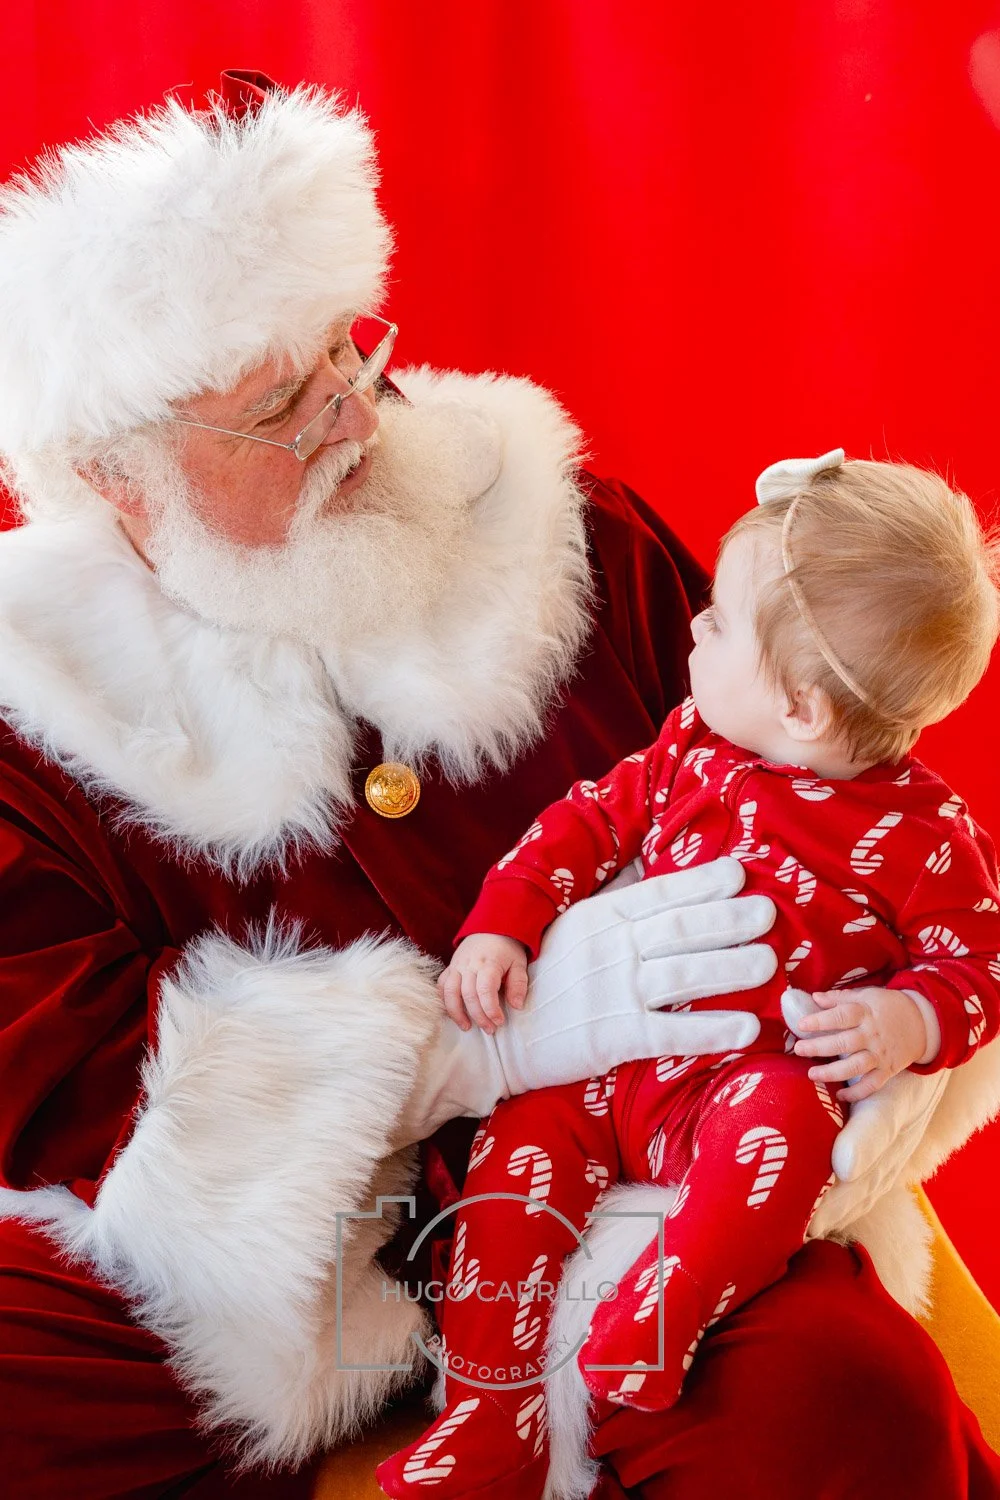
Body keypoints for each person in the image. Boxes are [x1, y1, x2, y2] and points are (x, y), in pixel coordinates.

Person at [0, 69, 995, 1500]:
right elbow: (59, 1066)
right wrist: (460, 1057)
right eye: (283, 408)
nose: (351, 416)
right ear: (120, 478)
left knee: (842, 1406)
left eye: (348, 354)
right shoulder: (28, 690)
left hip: (644, 1186)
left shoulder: (549, 520)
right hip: (271, 1285)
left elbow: (829, 804)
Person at [376, 449, 1000, 1499]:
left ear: (800, 707)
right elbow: (578, 825)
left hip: (744, 1086)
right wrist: (504, 927)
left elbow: (978, 966)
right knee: (516, 1162)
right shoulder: (687, 751)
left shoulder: (926, 838)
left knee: (788, 1130)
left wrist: (908, 1019)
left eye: (715, 624)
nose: (693, 631)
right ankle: (491, 1413)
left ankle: (660, 1321)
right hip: (611, 1066)